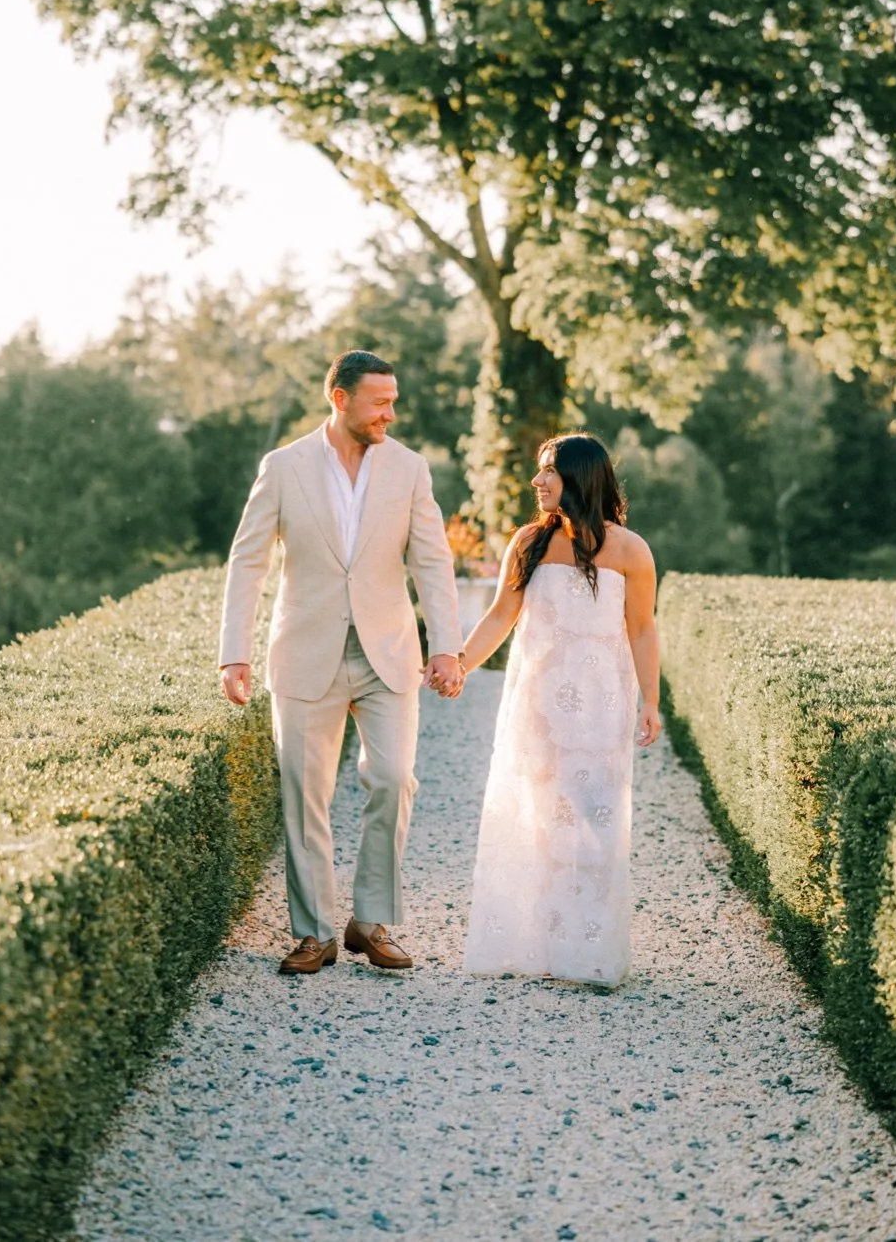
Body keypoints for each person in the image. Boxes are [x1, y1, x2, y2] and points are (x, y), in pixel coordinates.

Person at [217, 350, 465, 976]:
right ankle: (312, 934)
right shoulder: (284, 467)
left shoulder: (409, 469)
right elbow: (248, 561)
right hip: (304, 655)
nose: (391, 412)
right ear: (340, 399)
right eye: (380, 401)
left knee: (394, 779)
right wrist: (234, 653)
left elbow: (432, 562)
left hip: (388, 655)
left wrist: (445, 646)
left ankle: (370, 920)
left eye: (393, 400)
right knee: (307, 797)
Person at [458, 434, 661, 988]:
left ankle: (589, 950)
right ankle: (542, 945)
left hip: (602, 708)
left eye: (549, 471)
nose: (538, 481)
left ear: (581, 479)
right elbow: (501, 615)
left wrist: (652, 700)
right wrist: (460, 664)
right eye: (539, 470)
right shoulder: (528, 542)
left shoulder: (631, 551)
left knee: (596, 823)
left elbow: (641, 629)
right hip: (538, 706)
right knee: (543, 820)